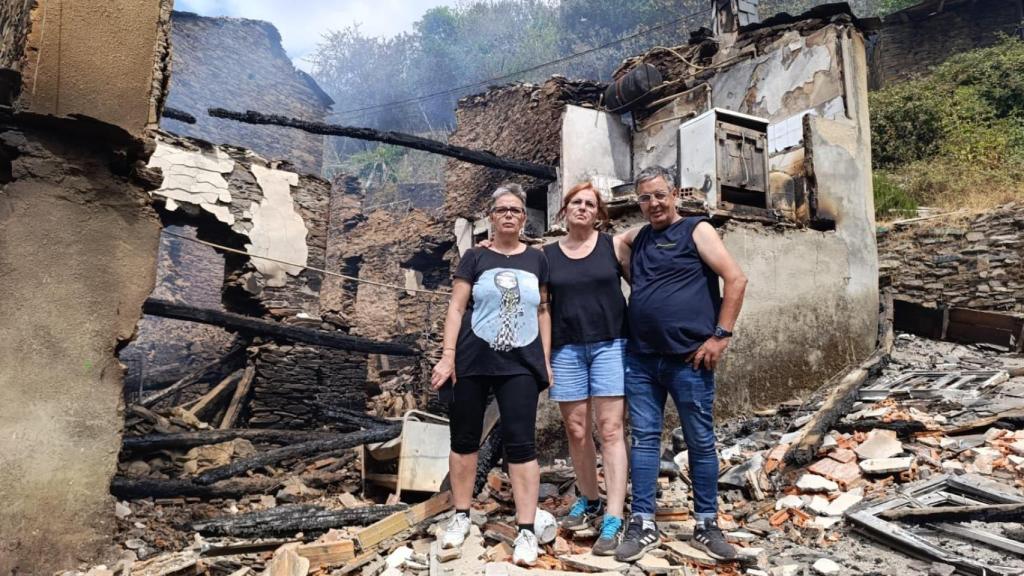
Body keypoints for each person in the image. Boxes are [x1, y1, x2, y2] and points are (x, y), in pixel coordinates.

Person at [613, 166, 748, 563]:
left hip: (690, 359)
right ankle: (642, 521)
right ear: (638, 202)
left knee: (700, 442)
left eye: (659, 195)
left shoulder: (696, 230)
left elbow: (736, 280)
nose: (653, 204)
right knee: (644, 440)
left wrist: (720, 337)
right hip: (641, 358)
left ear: (673, 194)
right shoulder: (640, 237)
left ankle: (707, 524)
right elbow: (620, 241)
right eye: (645, 198)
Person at [430, 183, 552, 567]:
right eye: (503, 210)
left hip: (521, 365)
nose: (510, 215)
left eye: (516, 210)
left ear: (523, 217)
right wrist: (447, 357)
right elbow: (455, 308)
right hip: (472, 360)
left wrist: (545, 360)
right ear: (492, 217)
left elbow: (544, 311)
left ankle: (527, 529)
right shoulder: (473, 258)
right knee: (464, 440)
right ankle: (461, 515)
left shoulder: (538, 260)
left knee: (521, 445)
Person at [542, 182, 631, 556]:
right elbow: (542, 308)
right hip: (566, 350)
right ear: (564, 210)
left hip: (611, 344)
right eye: (576, 202)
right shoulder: (546, 256)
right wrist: (544, 358)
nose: (582, 208)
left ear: (599, 213)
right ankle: (590, 499)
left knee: (610, 429)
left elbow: (641, 286)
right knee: (577, 430)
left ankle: (613, 515)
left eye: (590, 204)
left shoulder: (614, 245)